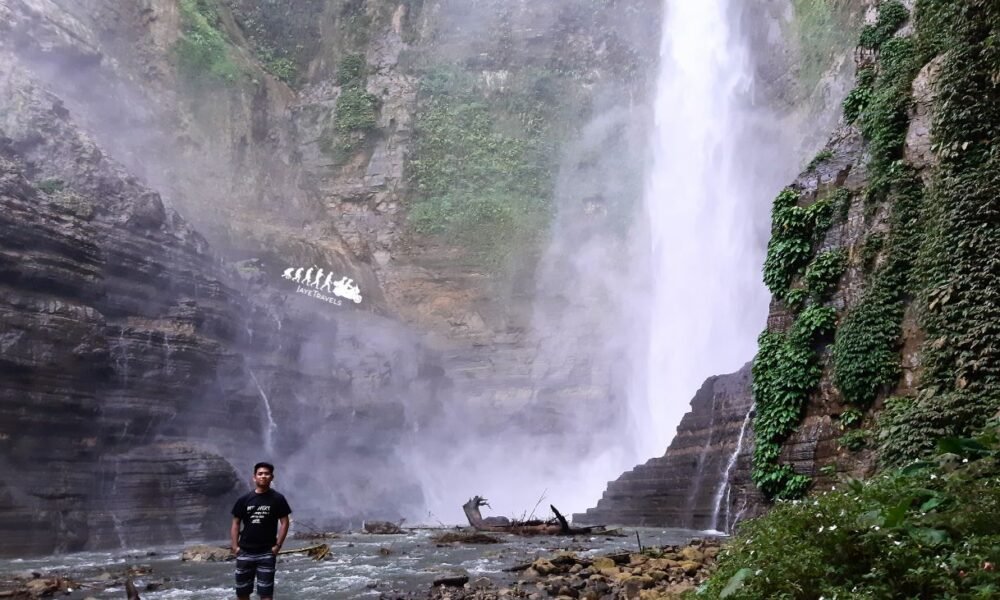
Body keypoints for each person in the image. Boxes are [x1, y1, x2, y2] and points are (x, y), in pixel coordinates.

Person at [231, 462, 292, 600]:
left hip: (267, 552)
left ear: (272, 477)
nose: (263, 476)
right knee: (242, 593)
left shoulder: (278, 499)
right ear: (254, 477)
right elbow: (235, 523)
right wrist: (235, 546)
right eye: (260, 474)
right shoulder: (244, 499)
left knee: (266, 594)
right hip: (245, 551)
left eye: (266, 474)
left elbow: (284, 522)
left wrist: (278, 546)